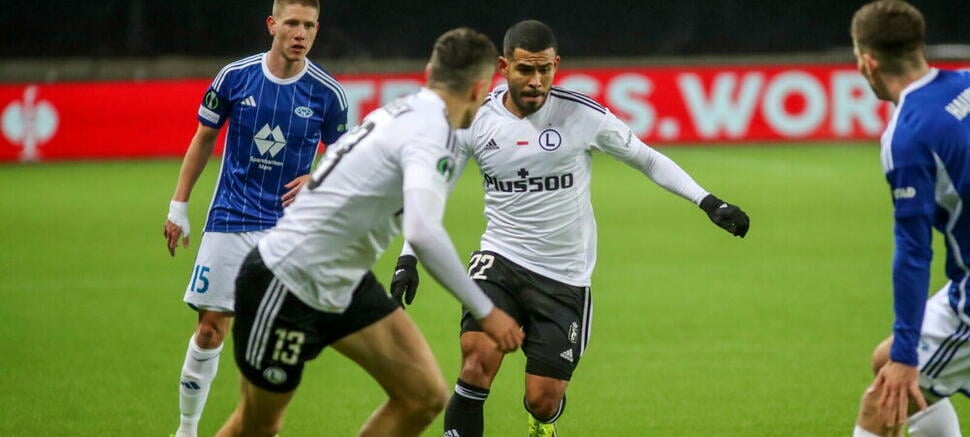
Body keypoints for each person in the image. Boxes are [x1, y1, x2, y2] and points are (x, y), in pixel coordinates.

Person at [390, 19, 750, 437]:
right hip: (500, 259)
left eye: (545, 69)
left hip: (564, 275)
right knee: (476, 360)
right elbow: (432, 192)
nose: (536, 80)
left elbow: (647, 159)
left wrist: (709, 202)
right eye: (525, 69)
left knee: (544, 398)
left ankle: (541, 423)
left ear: (556, 65)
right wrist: (407, 260)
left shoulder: (583, 115)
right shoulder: (475, 120)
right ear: (503, 66)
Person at [212, 27, 524, 437]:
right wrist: (486, 311)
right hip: (286, 281)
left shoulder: (404, 112)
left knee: (423, 396)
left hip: (343, 282)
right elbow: (424, 231)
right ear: (480, 89)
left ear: (430, 71)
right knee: (257, 428)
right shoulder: (431, 135)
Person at [161, 1, 348, 436]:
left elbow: (347, 157)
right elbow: (204, 138)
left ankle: (259, 427)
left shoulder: (328, 93)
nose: (300, 33)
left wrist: (318, 176)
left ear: (316, 30)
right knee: (209, 330)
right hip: (230, 217)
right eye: (292, 24)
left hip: (289, 230)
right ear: (272, 25)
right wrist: (178, 206)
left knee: (271, 345)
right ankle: (186, 430)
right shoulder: (235, 77)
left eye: (309, 26)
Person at [849, 1, 970, 436]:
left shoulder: (909, 132)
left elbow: (914, 251)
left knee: (889, 391)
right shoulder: (967, 82)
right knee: (889, 364)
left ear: (868, 62)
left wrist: (906, 354)